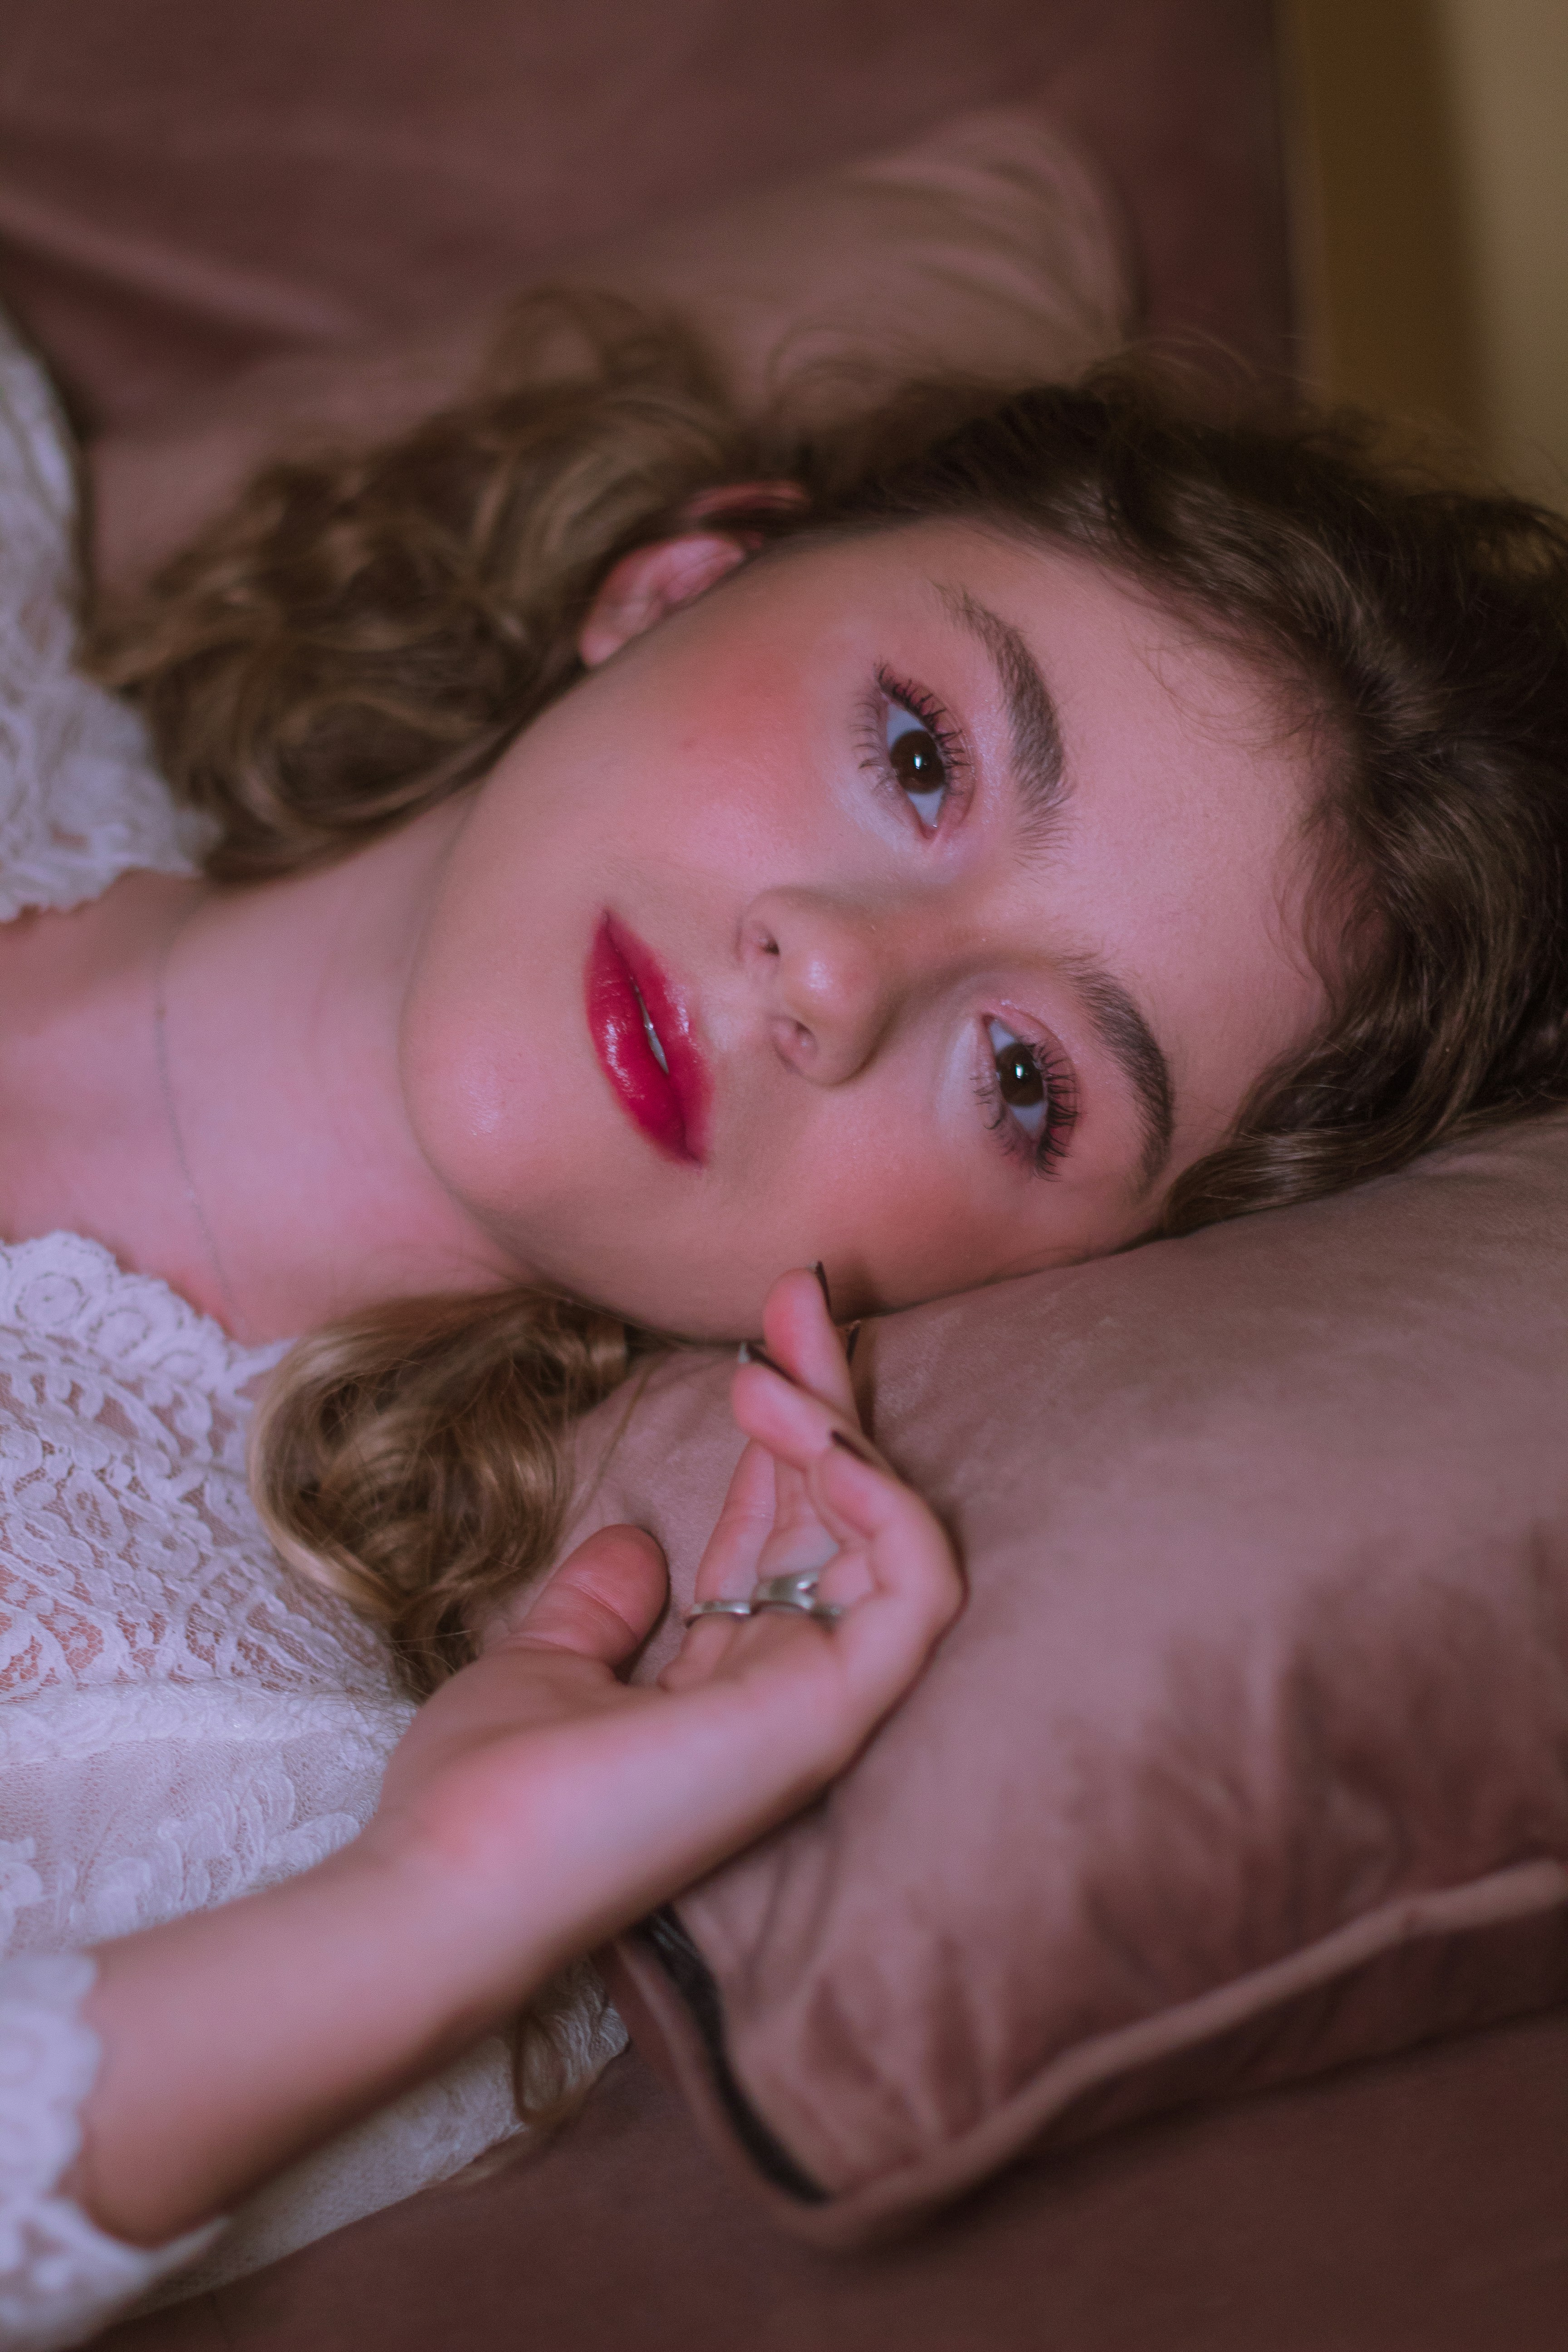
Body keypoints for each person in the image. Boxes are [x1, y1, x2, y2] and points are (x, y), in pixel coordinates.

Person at [1, 288, 1566, 2342]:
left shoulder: (246, 1780)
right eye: (918, 756)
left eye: (1029, 1081)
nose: (835, 976)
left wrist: (431, 1907)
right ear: (677, 580)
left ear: (1055, 1287)